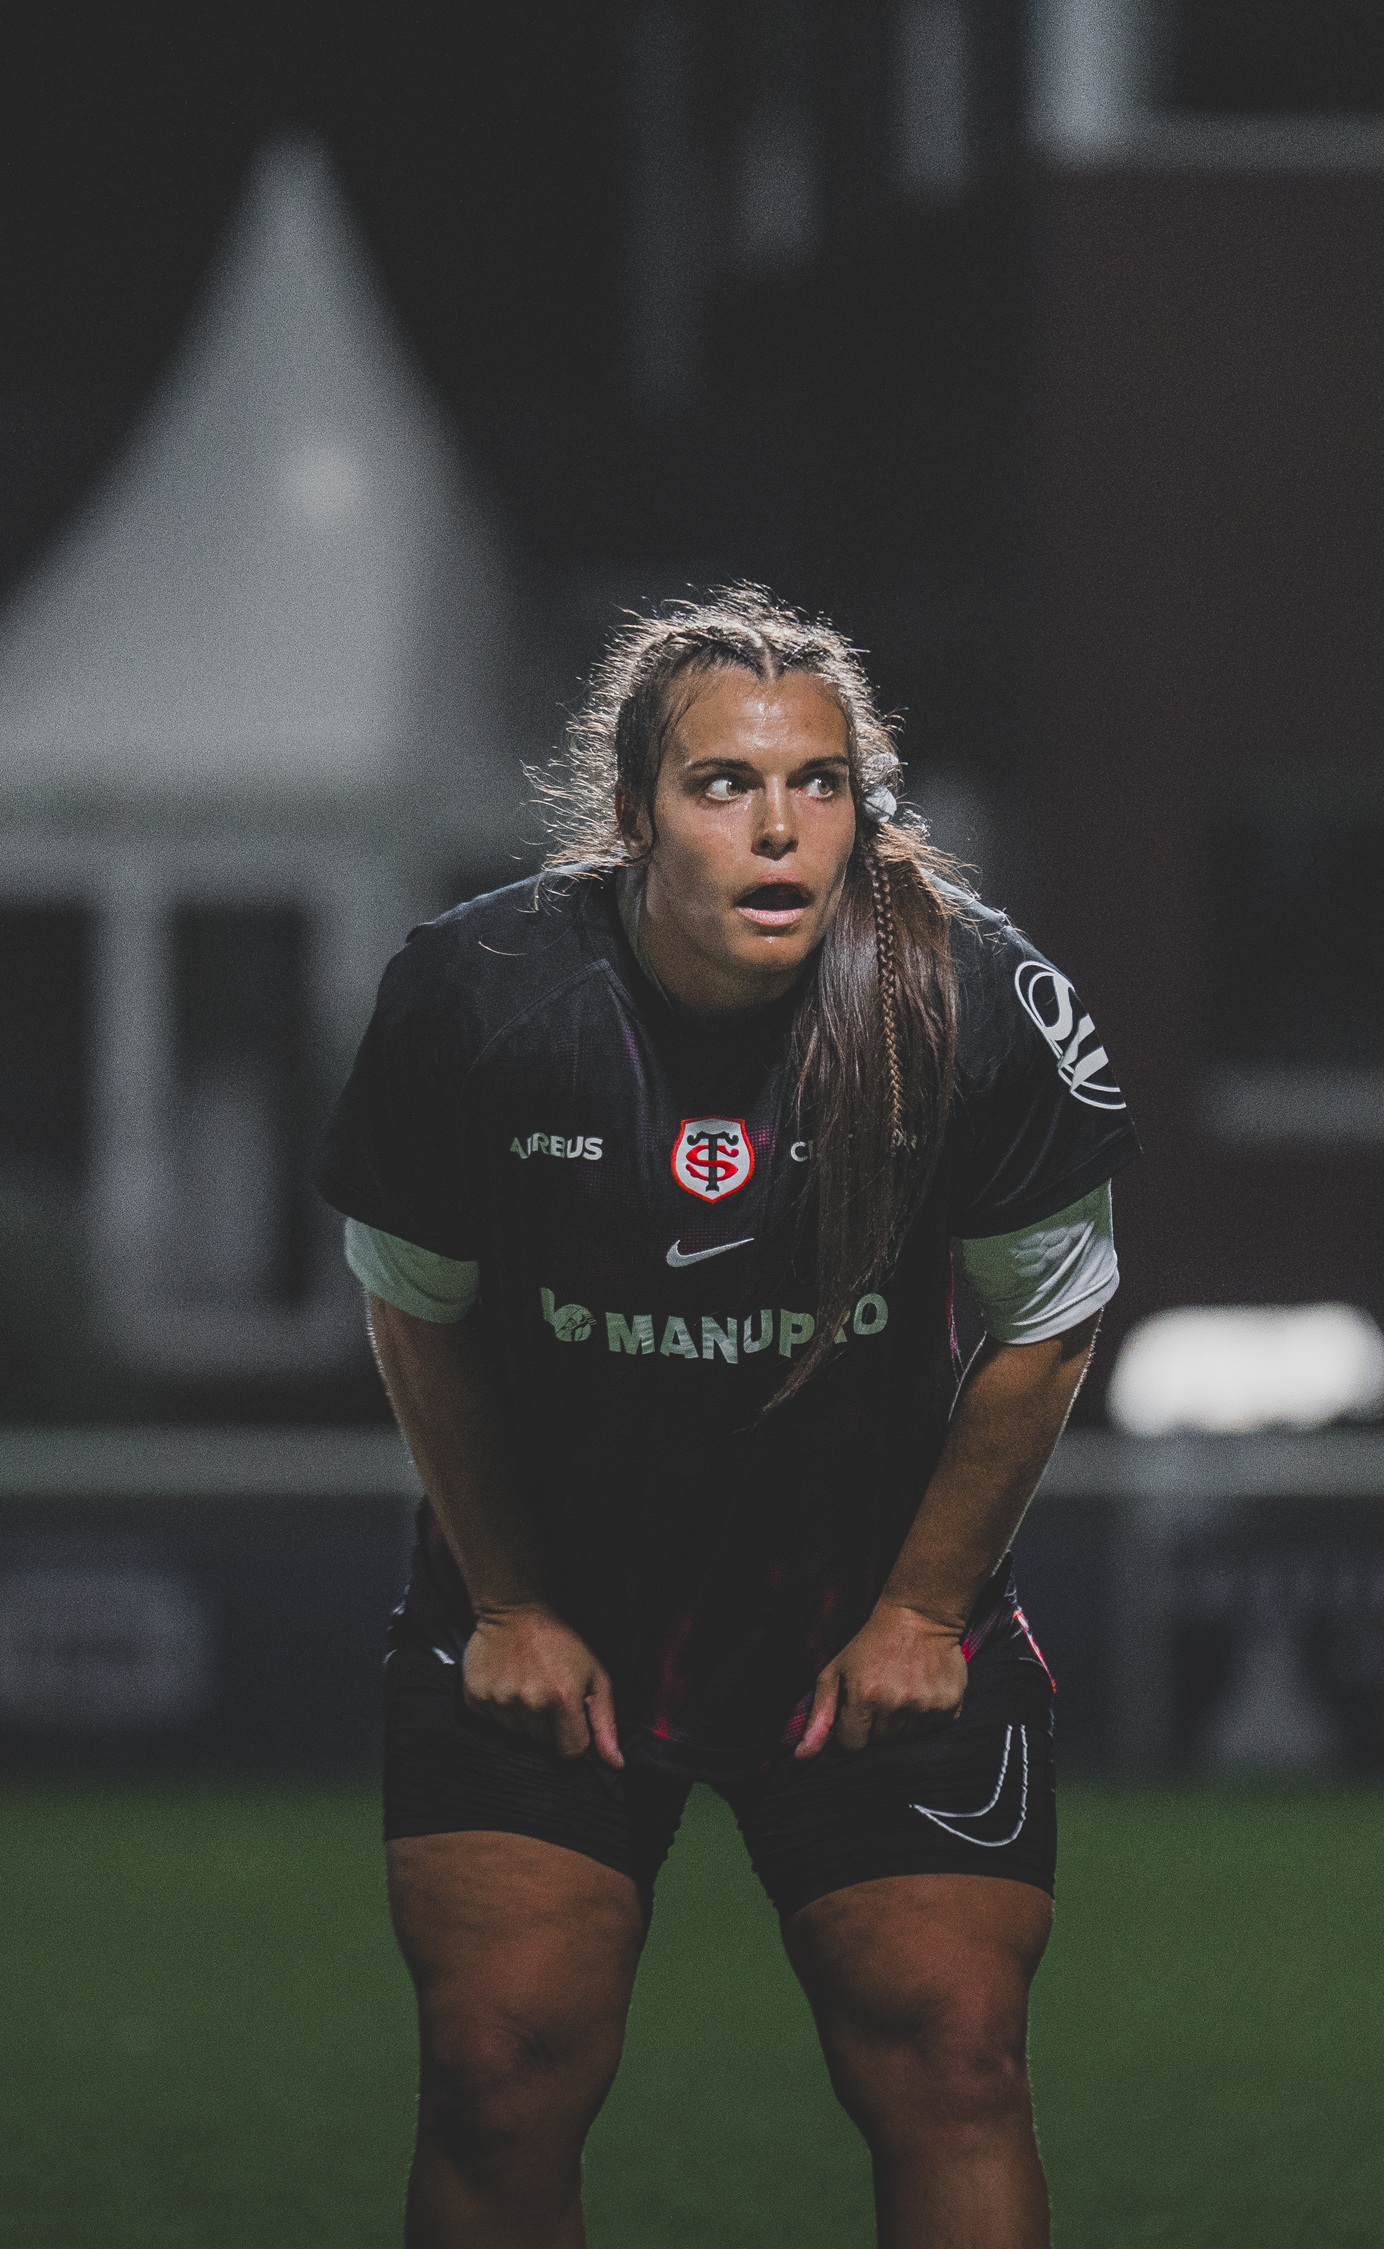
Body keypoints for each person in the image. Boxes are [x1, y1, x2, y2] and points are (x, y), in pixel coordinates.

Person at [316, 585, 1138, 2249]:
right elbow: (416, 1299)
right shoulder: (475, 993)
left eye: (821, 782)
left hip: (865, 1607)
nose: (781, 828)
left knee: (957, 2060)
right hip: (553, 1605)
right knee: (495, 2064)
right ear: (634, 813)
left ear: (863, 805)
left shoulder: (966, 999)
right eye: (724, 785)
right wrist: (512, 1601)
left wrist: (921, 1605)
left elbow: (1053, 1312)